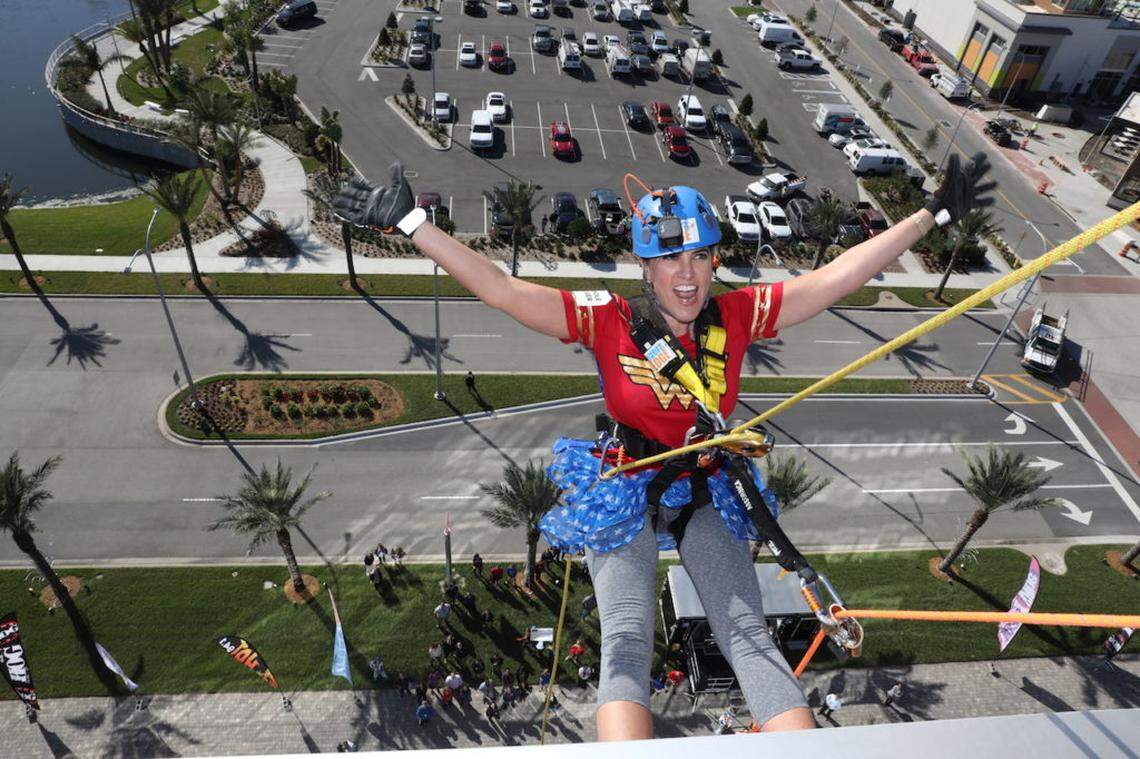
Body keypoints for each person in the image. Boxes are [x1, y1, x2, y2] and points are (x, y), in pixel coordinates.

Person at [329, 156, 992, 741]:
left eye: (700, 256)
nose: (688, 274)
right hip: (625, 478)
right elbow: (502, 290)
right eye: (671, 258)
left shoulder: (737, 316)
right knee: (623, 642)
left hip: (705, 483)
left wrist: (929, 214)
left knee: (750, 640)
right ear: (645, 267)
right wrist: (415, 222)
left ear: (713, 261)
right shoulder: (606, 319)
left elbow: (839, 278)